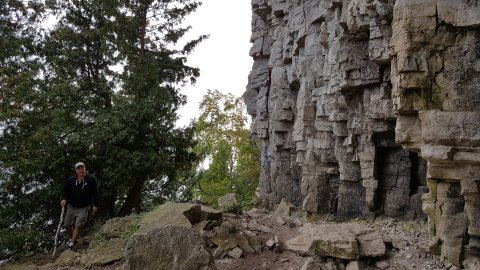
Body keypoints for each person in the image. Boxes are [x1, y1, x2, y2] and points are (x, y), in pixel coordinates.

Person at [60, 162, 99, 249]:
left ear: (85, 168)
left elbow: (95, 193)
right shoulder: (72, 180)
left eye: (82, 168)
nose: (81, 170)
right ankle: (74, 239)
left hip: (84, 207)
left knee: (78, 225)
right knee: (66, 224)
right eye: (79, 169)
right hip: (72, 206)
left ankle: (72, 243)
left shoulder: (91, 179)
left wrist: (95, 205)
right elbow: (65, 191)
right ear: (76, 170)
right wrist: (63, 199)